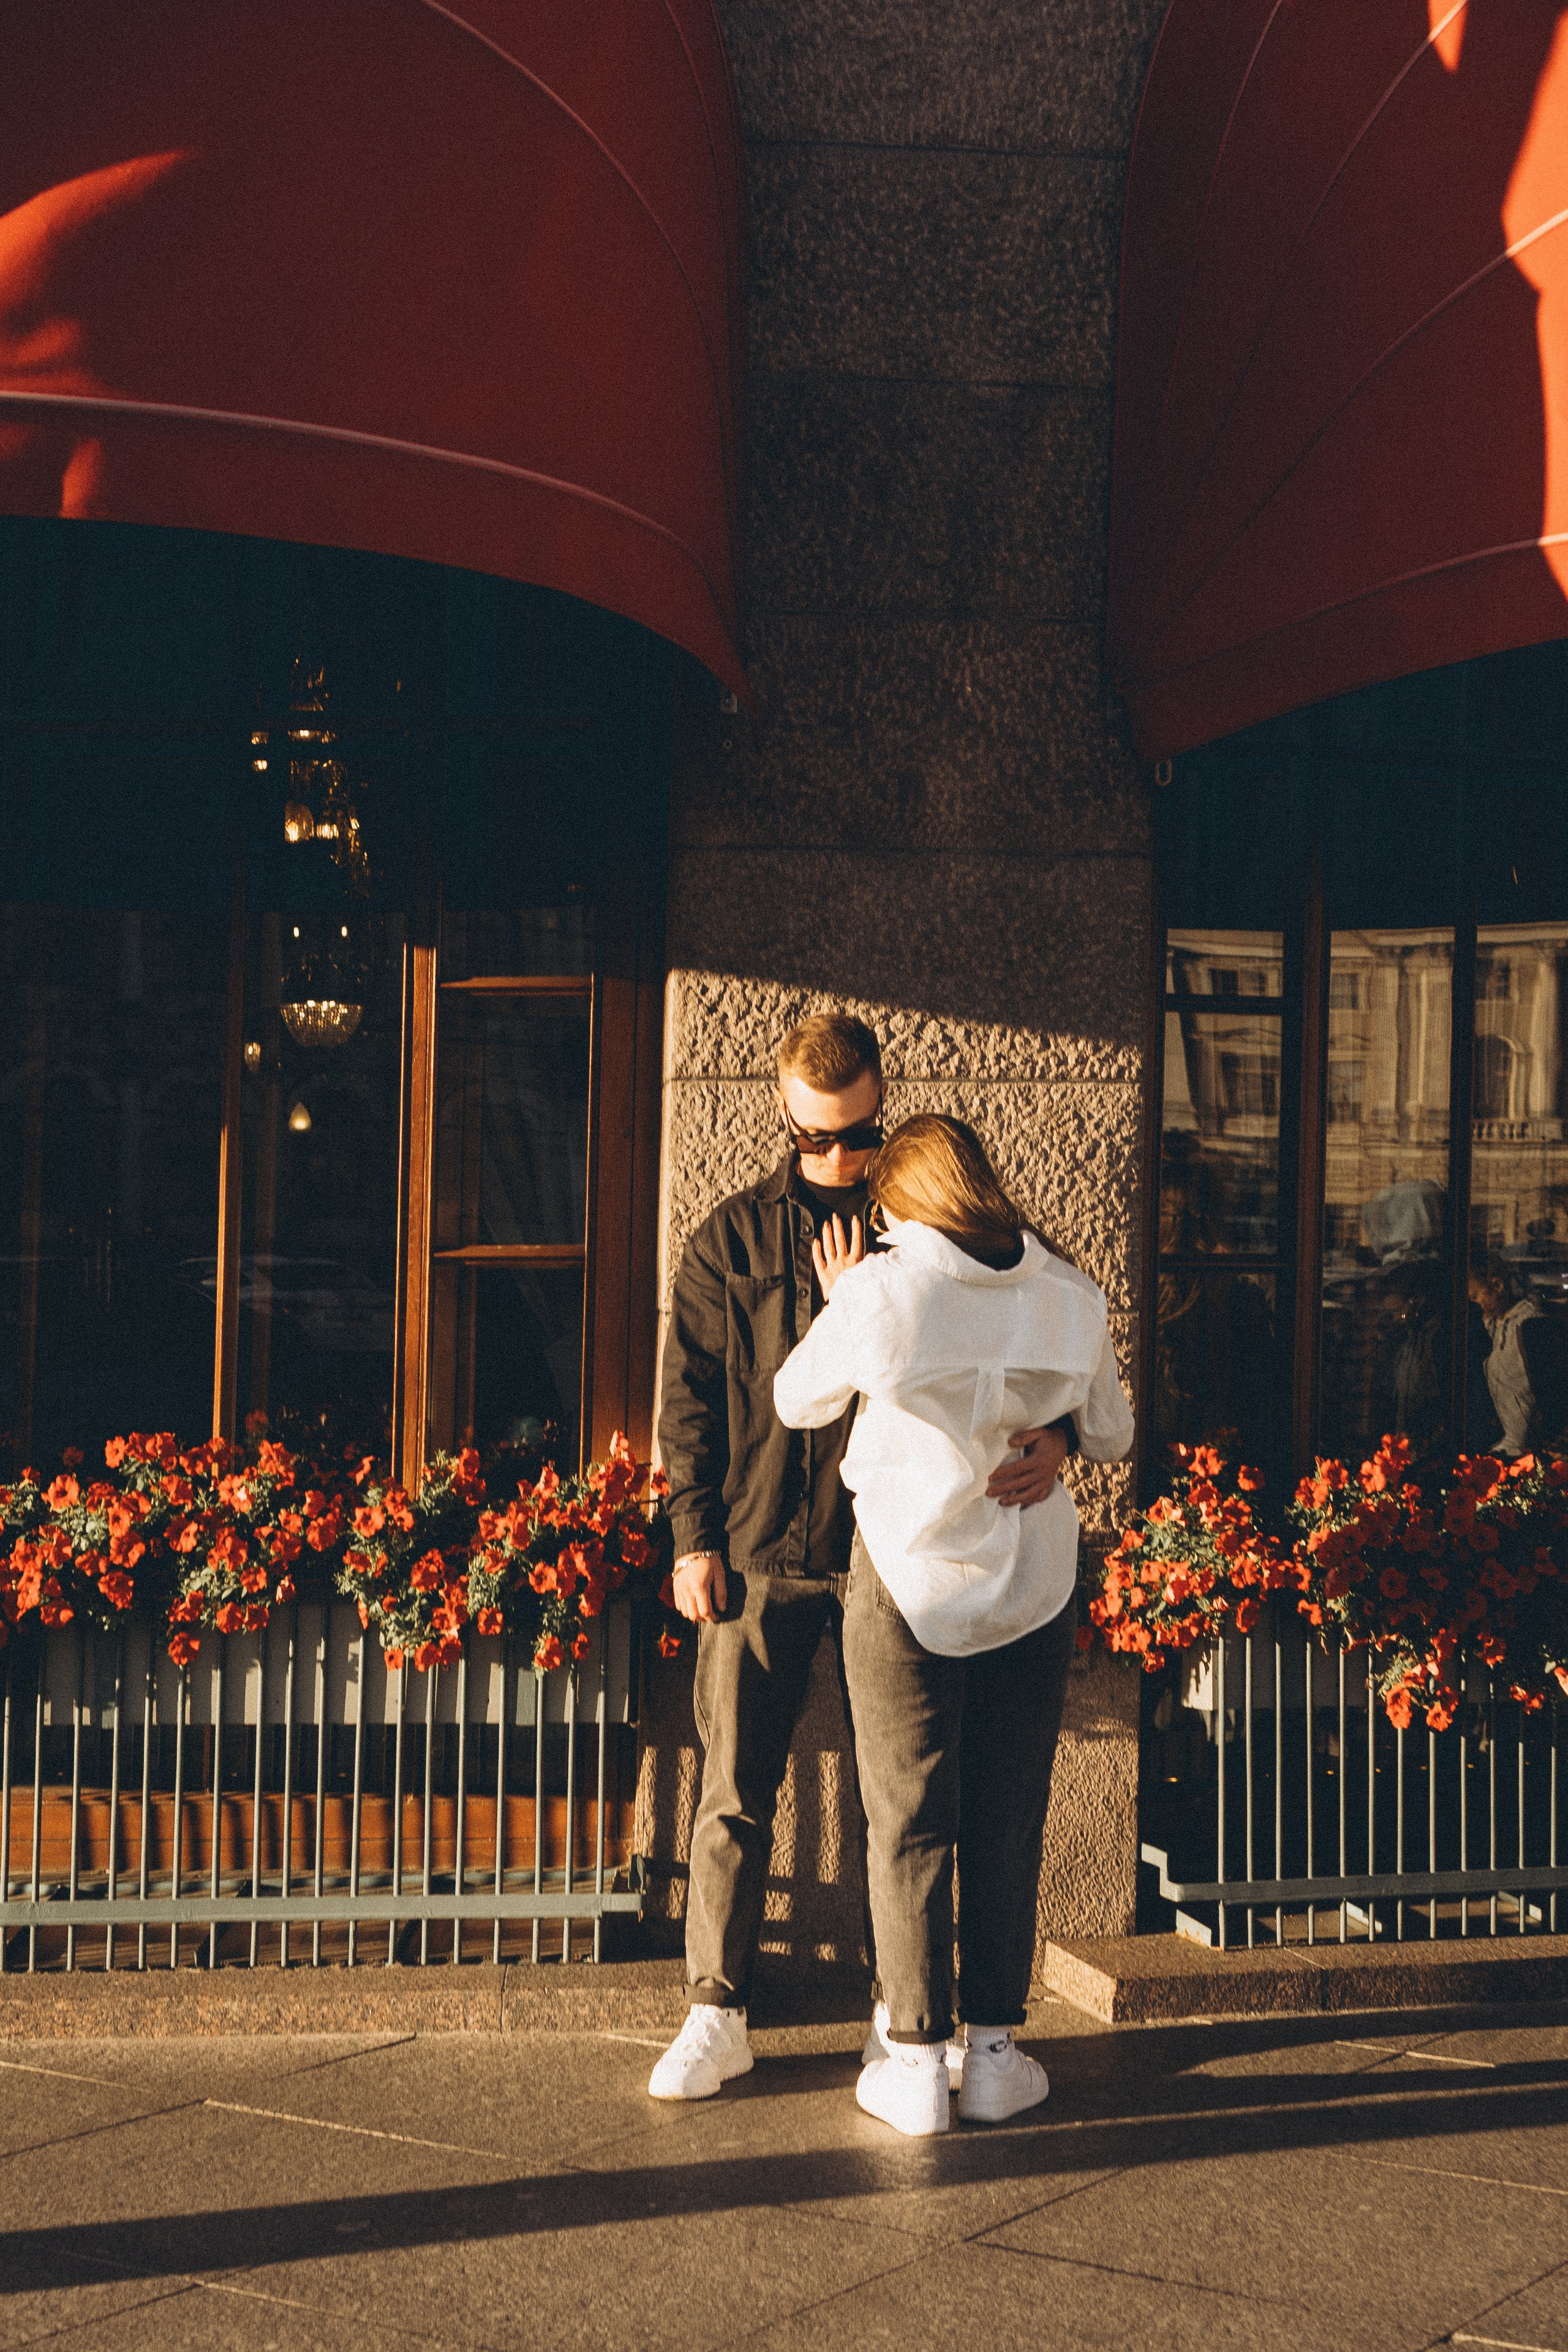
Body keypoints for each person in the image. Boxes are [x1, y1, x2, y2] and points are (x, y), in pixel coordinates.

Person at [647, 1019, 1074, 2100]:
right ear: (783, 1120)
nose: (841, 1161)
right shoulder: (732, 1240)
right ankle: (715, 2009)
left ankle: (907, 2029)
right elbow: (690, 1398)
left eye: (863, 1136)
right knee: (734, 1790)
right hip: (761, 1548)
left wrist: (1062, 1439)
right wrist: (694, 1538)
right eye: (817, 1140)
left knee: (915, 1807)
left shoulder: (952, 1235)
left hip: (903, 1561)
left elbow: (1050, 1347)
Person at [773, 1114, 1134, 2136]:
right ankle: (995, 2056)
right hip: (1035, 1584)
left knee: (909, 1815)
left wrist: (844, 1299)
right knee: (1008, 1815)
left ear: (902, 1198)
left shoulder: (884, 1289)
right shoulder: (1069, 1293)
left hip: (908, 1580)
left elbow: (799, 1400)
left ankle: (916, 2064)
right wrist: (1057, 1431)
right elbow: (1113, 1431)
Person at [1469, 1255, 1568, 1457]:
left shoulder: (1532, 1326)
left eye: (1476, 1295)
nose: (1475, 1303)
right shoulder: (1493, 1326)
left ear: (1497, 1286)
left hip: (1536, 1450)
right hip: (1514, 1445)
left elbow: (1553, 1393)